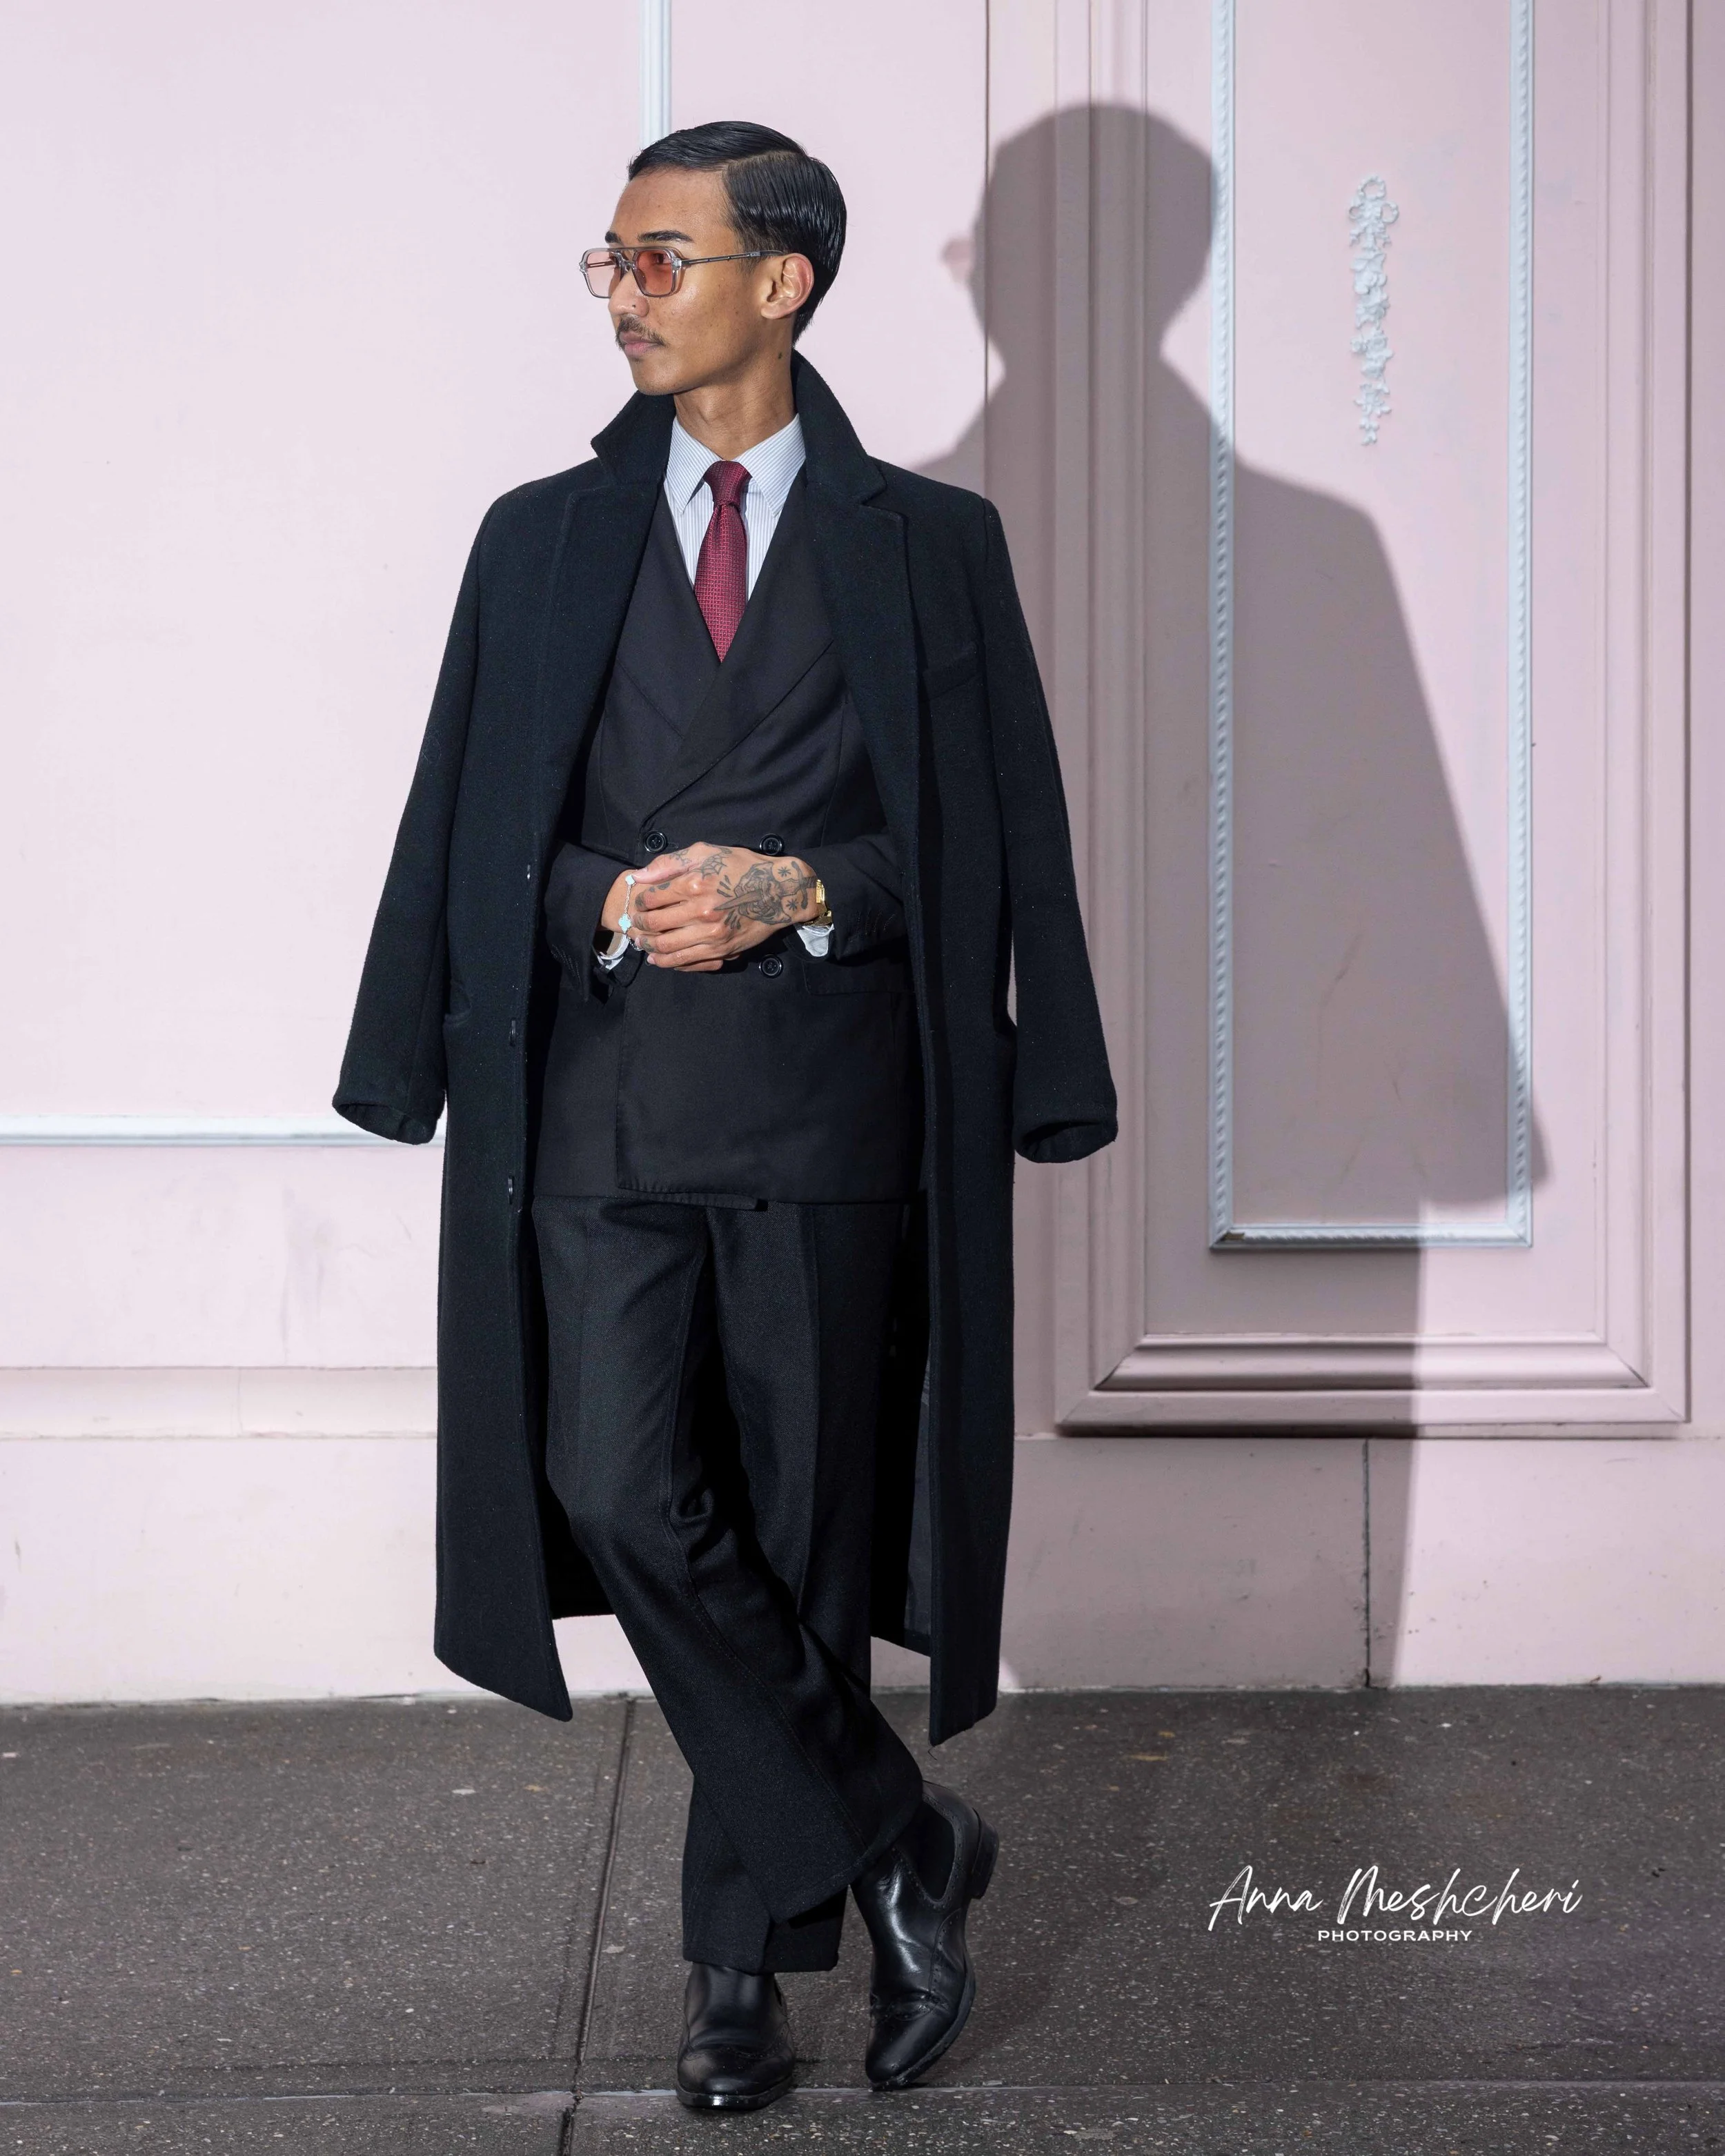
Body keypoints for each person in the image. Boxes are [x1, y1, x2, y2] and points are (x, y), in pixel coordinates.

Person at [334, 120, 1116, 2112]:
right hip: (599, 1110)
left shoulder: (927, 547)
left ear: (782, 281)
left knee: (790, 1533)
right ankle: (898, 1838)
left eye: (658, 258)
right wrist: (600, 895)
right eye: (605, 261)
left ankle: (734, 1982)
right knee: (616, 1487)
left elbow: (985, 841)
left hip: (832, 1119)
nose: (621, 293)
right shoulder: (540, 536)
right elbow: (465, 835)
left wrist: (808, 888)